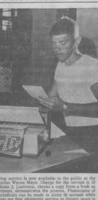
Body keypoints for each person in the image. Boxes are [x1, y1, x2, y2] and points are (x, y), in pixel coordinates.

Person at [38, 17, 98, 165]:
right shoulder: (61, 64)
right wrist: (42, 100)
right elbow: (51, 97)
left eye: (62, 43)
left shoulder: (91, 66)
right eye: (54, 44)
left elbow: (62, 105)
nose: (57, 49)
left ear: (76, 42)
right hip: (70, 132)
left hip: (93, 134)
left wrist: (65, 107)